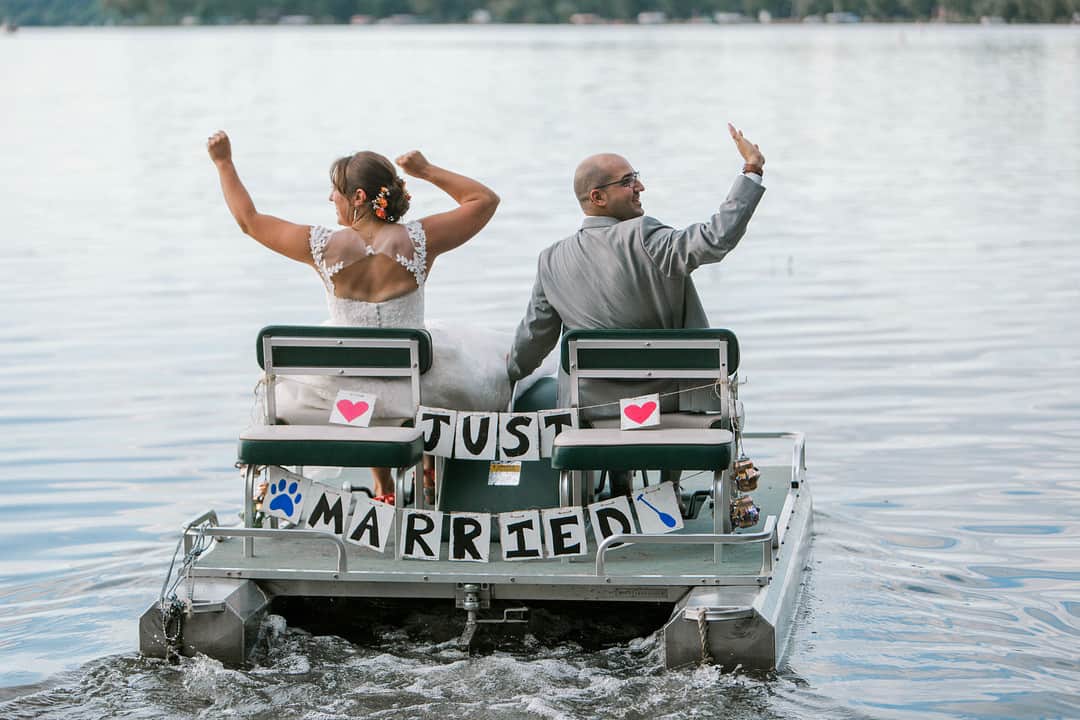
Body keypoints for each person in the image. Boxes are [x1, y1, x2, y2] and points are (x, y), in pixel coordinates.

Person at [208, 131, 507, 503]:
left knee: (358, 387)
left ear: (358, 198)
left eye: (335, 191)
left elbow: (249, 221)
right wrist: (426, 170)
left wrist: (223, 162)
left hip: (346, 388)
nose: (330, 198)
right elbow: (484, 200)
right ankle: (430, 469)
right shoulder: (420, 240)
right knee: (434, 365)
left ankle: (383, 488)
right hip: (415, 387)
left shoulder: (321, 246)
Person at [505, 123, 766, 495]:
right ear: (597, 196)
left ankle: (620, 487)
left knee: (589, 394)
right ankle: (669, 488)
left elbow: (533, 340)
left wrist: (509, 372)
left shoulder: (550, 260)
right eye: (628, 181)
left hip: (595, 416)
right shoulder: (646, 236)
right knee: (666, 386)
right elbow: (714, 239)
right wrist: (751, 172)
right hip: (673, 411)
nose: (640, 187)